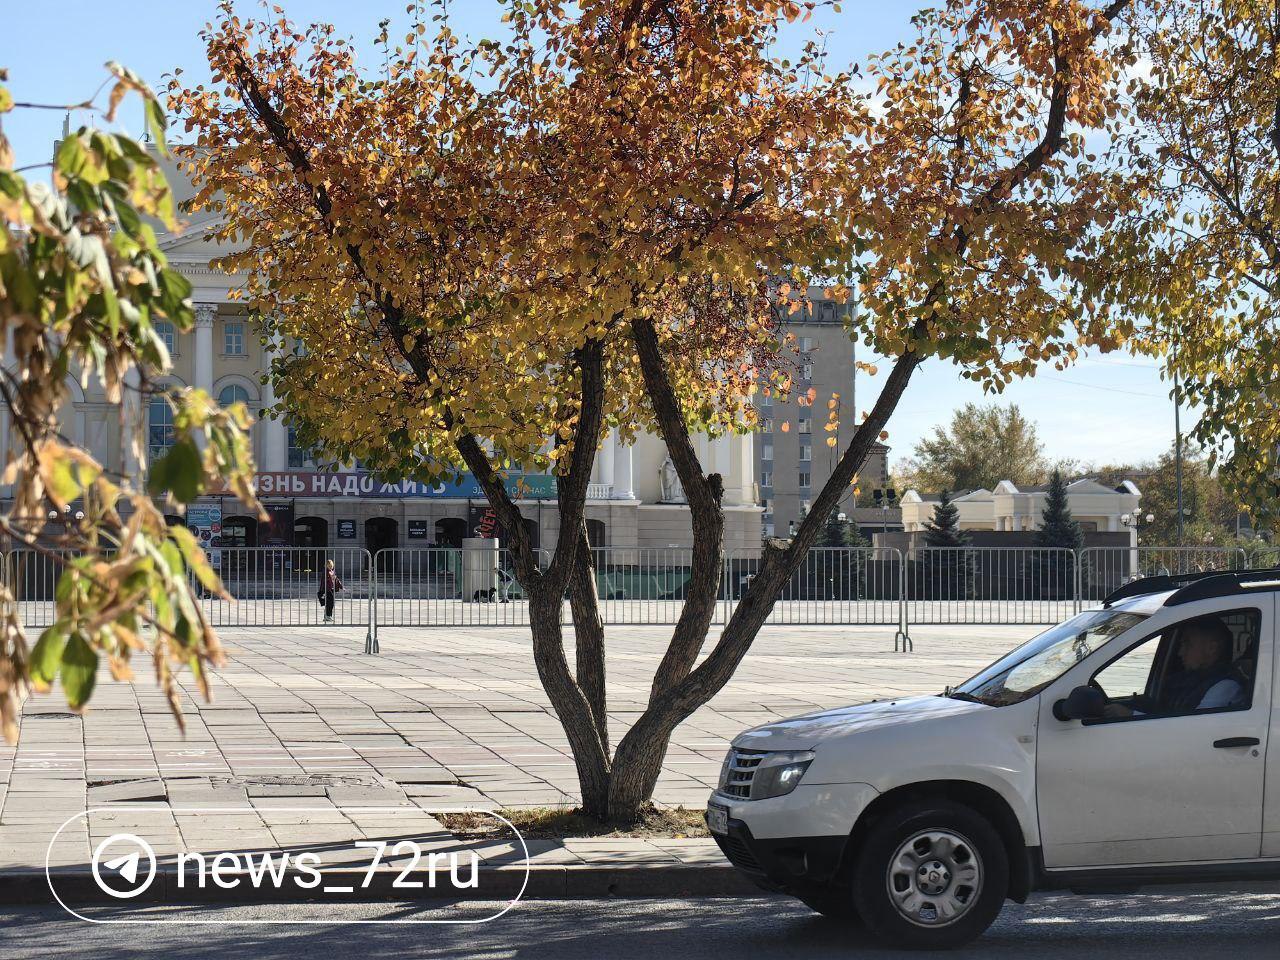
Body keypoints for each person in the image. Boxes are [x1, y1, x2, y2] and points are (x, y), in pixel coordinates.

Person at [1105, 615, 1245, 718]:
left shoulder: (1225, 687)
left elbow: (1192, 728)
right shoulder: (1185, 680)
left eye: (1187, 644)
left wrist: (1130, 714)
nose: (1179, 652)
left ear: (1211, 649)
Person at [320, 559, 344, 623]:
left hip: (332, 589)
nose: (330, 567)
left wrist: (341, 587)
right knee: (330, 602)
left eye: (331, 566)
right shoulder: (325, 572)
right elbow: (324, 581)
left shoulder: (332, 572)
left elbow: (337, 580)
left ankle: (327, 615)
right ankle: (328, 616)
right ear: (326, 566)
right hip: (327, 589)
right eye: (329, 566)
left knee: (330, 603)